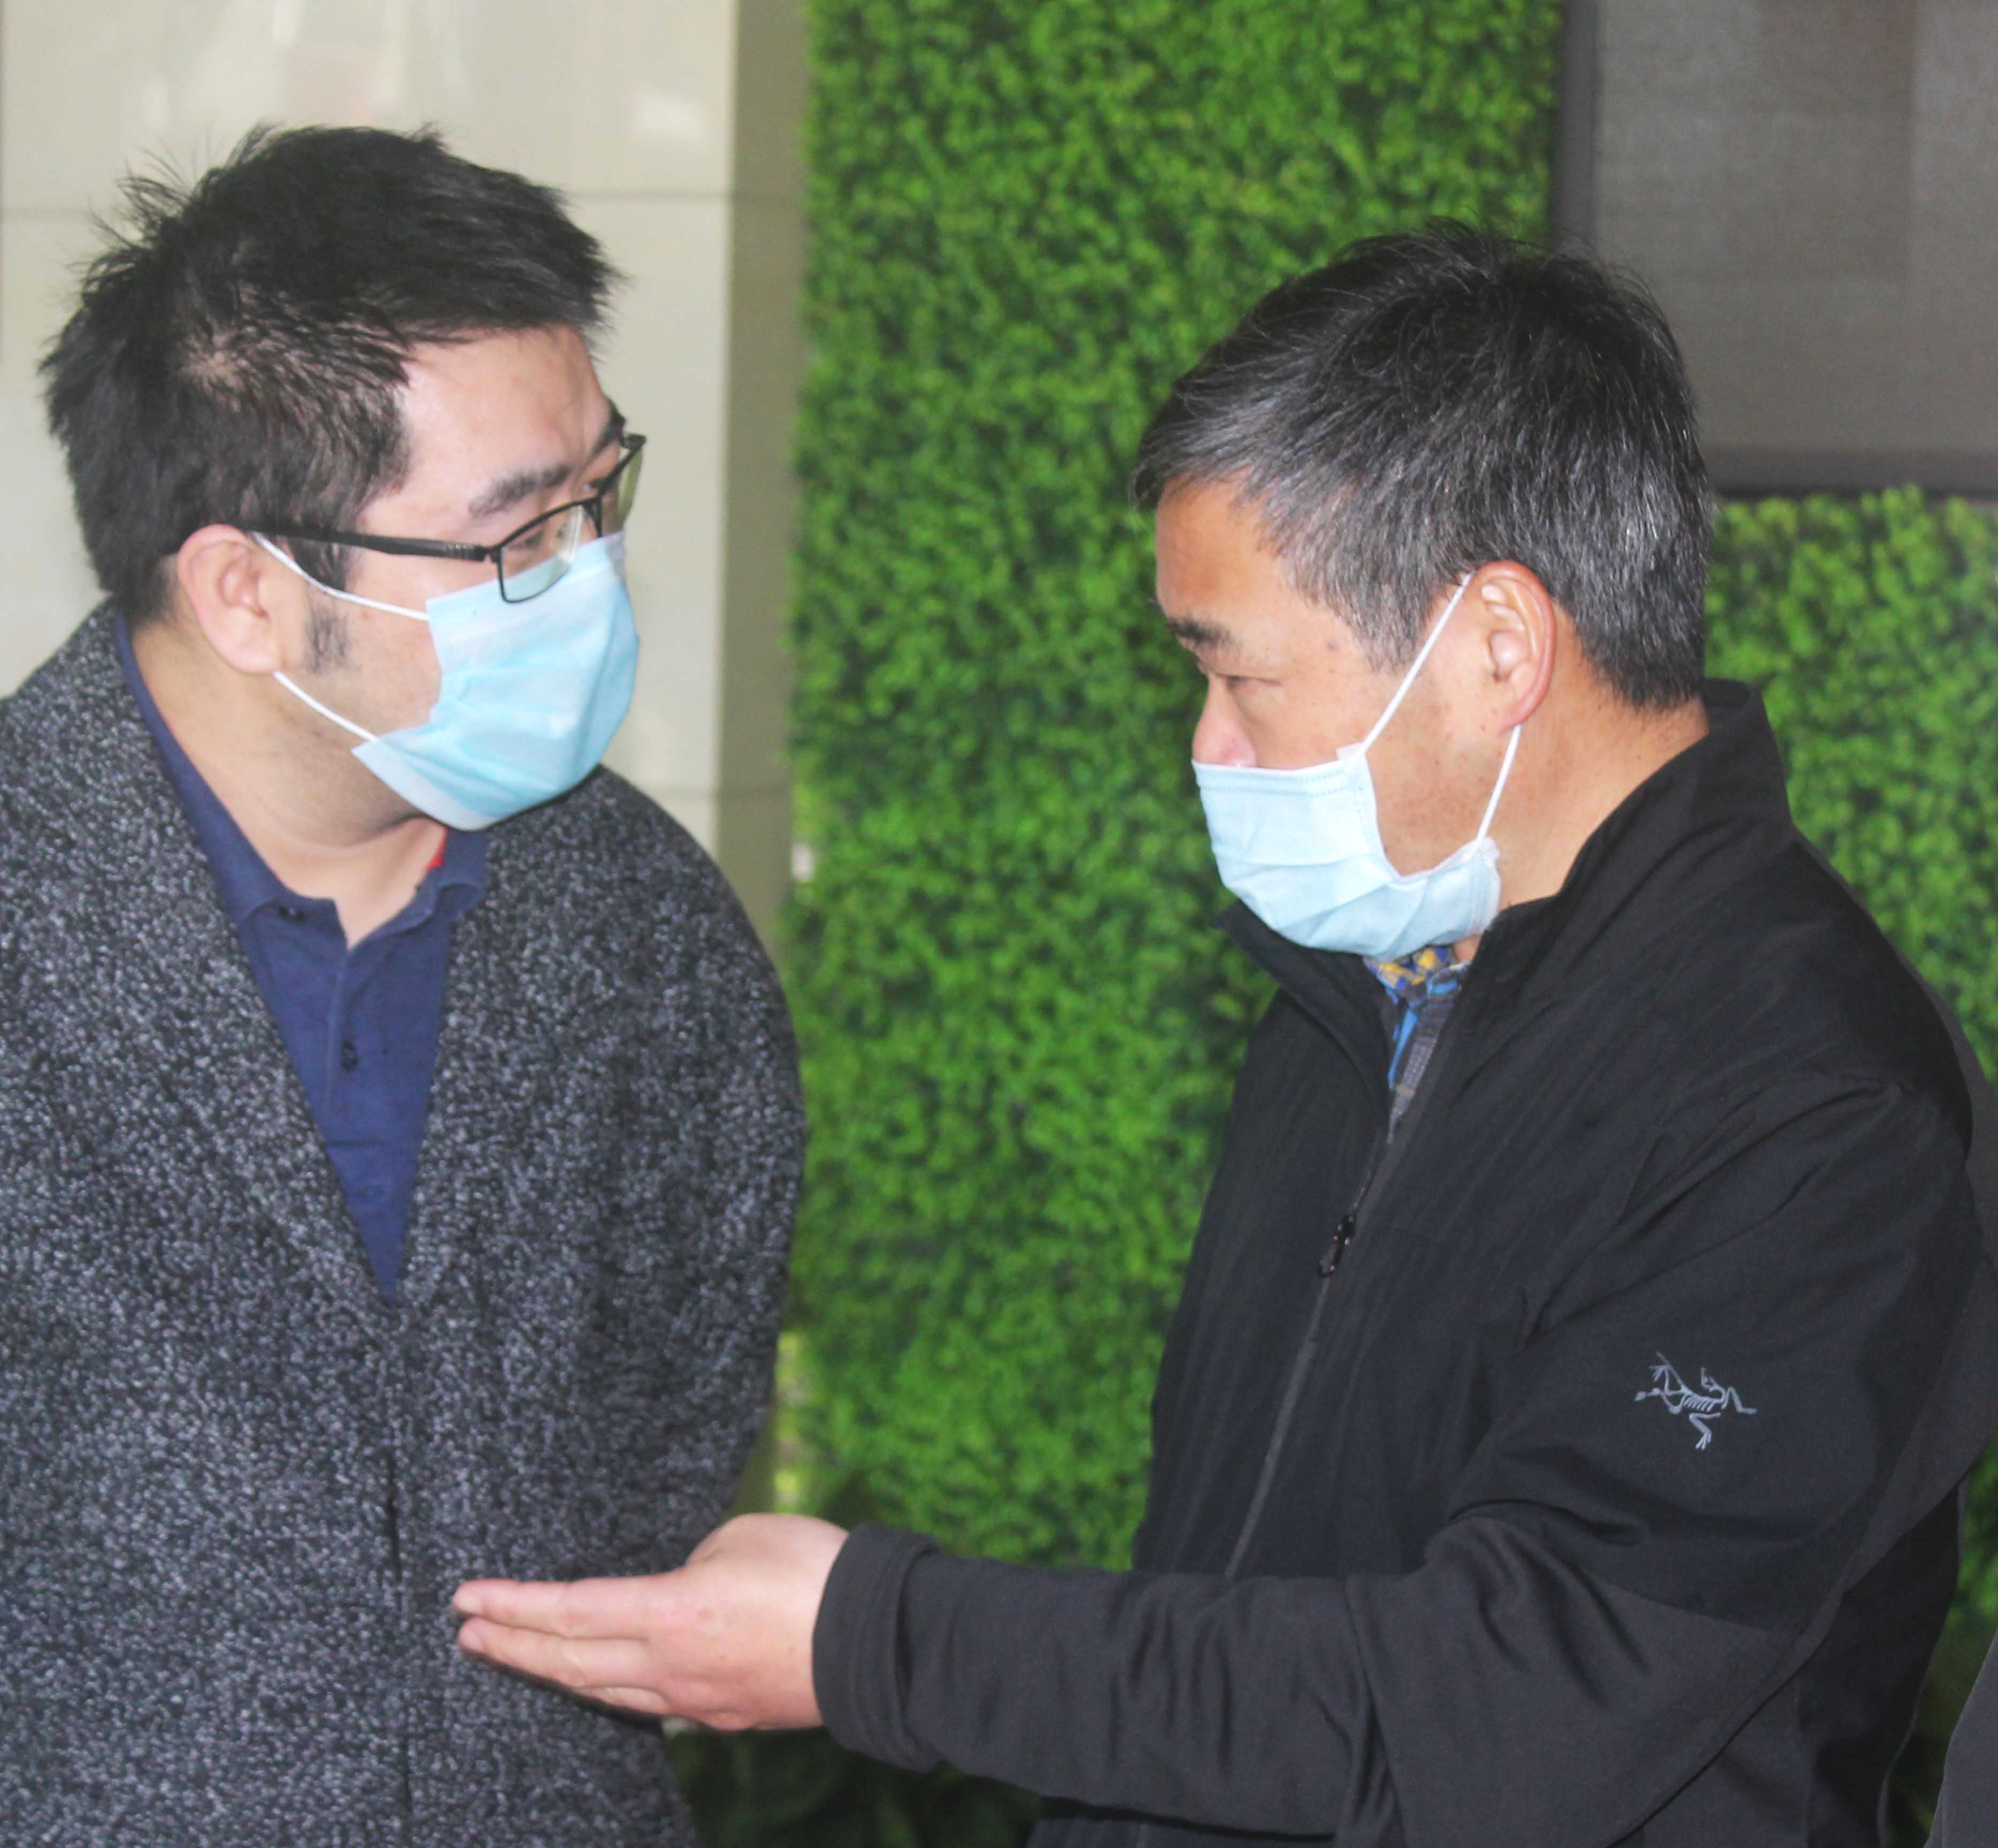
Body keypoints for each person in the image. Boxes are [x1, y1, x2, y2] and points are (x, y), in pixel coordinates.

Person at [454, 227, 1998, 1846]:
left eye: (1240, 677)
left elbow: (1508, 1712)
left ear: (1498, 648)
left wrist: (877, 1644)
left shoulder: (1817, 1114)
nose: (1212, 745)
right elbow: (1233, 1588)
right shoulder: (1369, 987)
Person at [0, 125, 802, 1847]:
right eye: (512, 534)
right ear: (247, 589)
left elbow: (679, 1426)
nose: (584, 574)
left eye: (596, 492)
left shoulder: (644, 926)